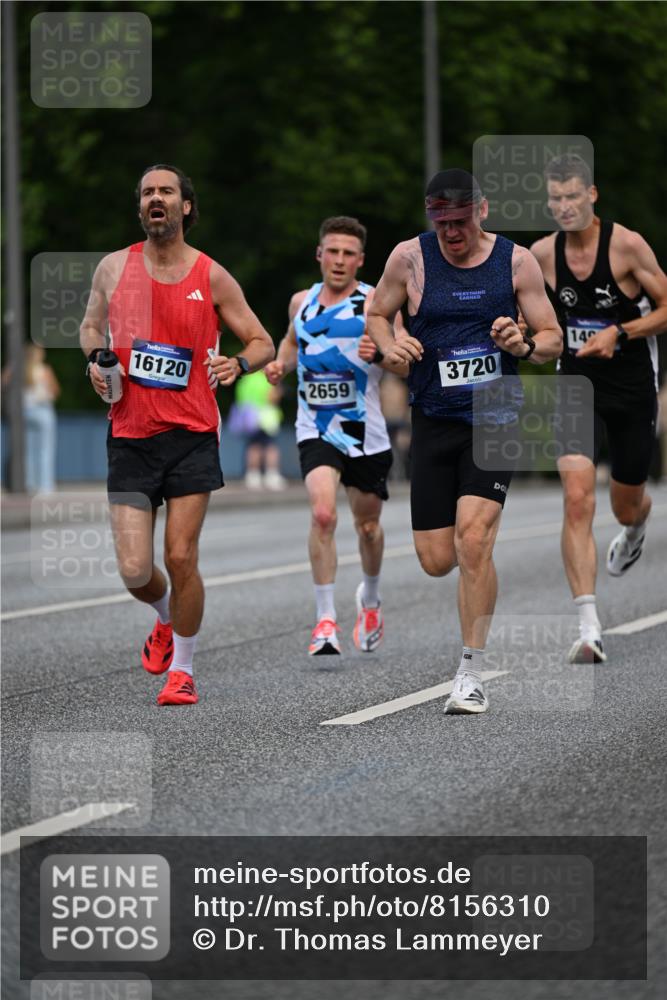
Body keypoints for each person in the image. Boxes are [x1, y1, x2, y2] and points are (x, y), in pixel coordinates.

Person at [367, 168, 562, 714]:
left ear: (482, 210)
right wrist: (393, 345)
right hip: (433, 416)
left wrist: (520, 343)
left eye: (459, 220)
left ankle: (469, 674)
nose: (451, 232)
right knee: (436, 558)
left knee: (472, 541)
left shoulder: (515, 262)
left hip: (496, 416)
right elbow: (377, 314)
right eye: (440, 221)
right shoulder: (410, 258)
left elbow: (551, 340)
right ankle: (471, 576)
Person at [80, 164, 274, 705]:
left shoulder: (210, 275)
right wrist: (95, 362)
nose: (155, 199)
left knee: (181, 556)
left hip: (191, 432)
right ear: (140, 208)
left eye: (166, 191)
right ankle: (164, 617)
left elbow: (262, 340)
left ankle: (183, 672)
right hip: (130, 433)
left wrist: (238, 364)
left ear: (186, 206)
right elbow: (91, 327)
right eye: (147, 192)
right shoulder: (114, 268)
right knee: (135, 569)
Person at [530, 154, 667, 663]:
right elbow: (521, 306)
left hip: (631, 387)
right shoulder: (542, 254)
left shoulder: (626, 246)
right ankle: (588, 626)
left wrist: (621, 331)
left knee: (624, 501)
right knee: (577, 497)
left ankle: (634, 529)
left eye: (573, 196)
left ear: (592, 196)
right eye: (556, 199)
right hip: (576, 385)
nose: (565, 207)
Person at [265, 216, 408, 655]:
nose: (340, 260)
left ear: (361, 261)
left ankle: (370, 595)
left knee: (367, 527)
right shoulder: (300, 303)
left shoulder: (376, 305)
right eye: (333, 251)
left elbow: (405, 363)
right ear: (319, 255)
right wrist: (280, 364)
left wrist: (382, 354)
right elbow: (292, 341)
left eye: (349, 254)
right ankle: (325, 620)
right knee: (324, 515)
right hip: (316, 427)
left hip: (366, 432)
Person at [228, 369, 287, 490]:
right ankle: (272, 475)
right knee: (270, 447)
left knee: (253, 447)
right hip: (267, 418)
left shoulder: (246, 379)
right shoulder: (268, 378)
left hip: (249, 418)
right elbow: (273, 398)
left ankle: (253, 476)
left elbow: (240, 398)